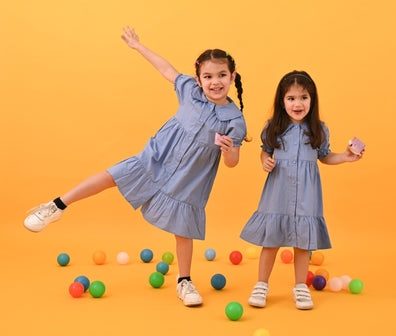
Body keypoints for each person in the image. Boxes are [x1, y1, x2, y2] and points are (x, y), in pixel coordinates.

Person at [24, 26, 248, 307]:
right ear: (198, 78)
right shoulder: (190, 91)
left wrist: (228, 152)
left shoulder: (235, 120)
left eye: (222, 76)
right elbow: (167, 70)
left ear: (232, 76)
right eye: (208, 76)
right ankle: (55, 206)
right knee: (111, 176)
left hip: (190, 178)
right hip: (156, 158)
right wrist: (138, 47)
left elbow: (233, 162)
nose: (215, 82)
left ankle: (184, 281)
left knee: (184, 229)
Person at [240, 70, 364, 310]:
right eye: (291, 98)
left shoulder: (318, 129)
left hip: (307, 195)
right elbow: (265, 149)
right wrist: (264, 160)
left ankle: (300, 287)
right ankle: (261, 285)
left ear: (312, 100)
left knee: (302, 243)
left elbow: (325, 157)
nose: (298, 103)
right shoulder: (274, 127)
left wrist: (346, 157)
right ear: (282, 101)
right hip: (278, 193)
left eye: (304, 97)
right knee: (271, 239)